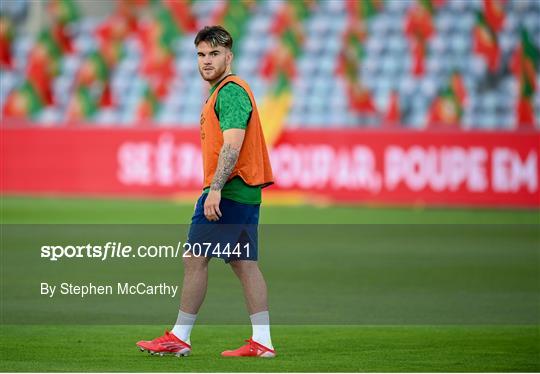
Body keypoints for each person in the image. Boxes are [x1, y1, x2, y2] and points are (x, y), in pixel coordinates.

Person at [136, 25, 276, 358]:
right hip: (244, 192)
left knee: (194, 258)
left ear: (229, 55)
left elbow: (232, 144)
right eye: (201, 55)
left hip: (228, 190)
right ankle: (263, 341)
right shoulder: (227, 91)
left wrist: (215, 189)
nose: (207, 61)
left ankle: (180, 336)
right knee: (245, 264)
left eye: (214, 54)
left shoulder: (229, 91)